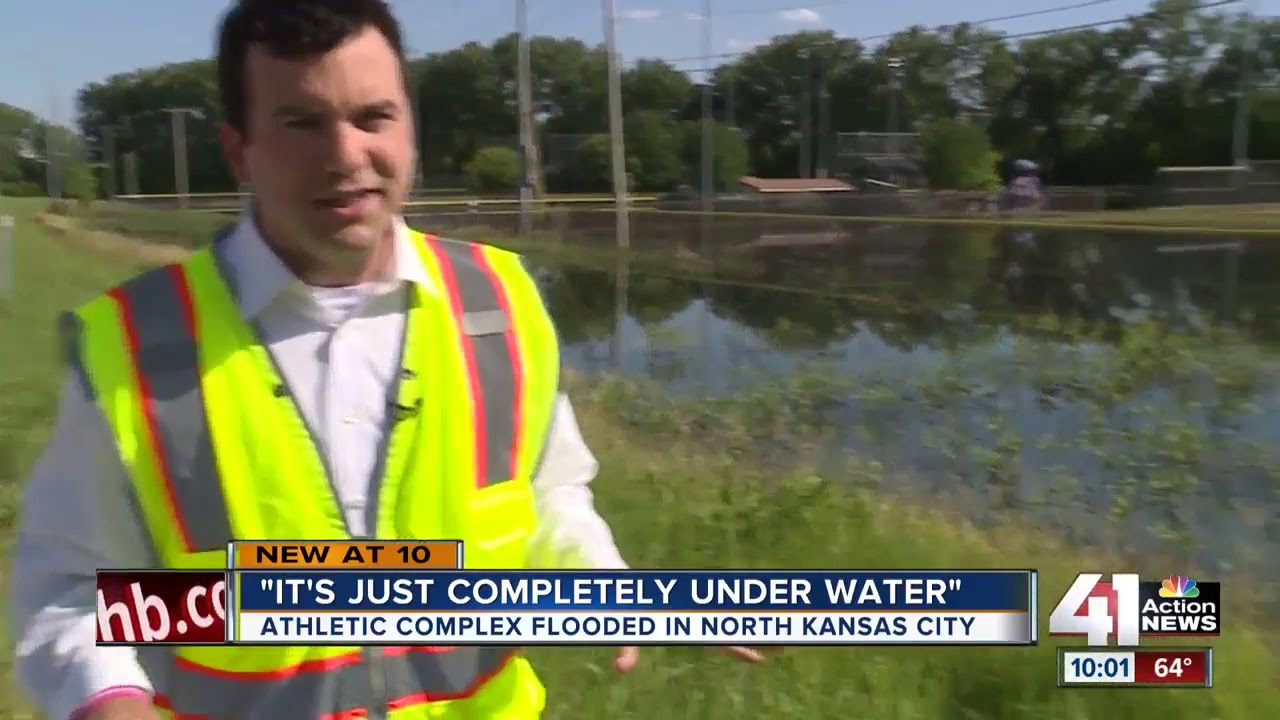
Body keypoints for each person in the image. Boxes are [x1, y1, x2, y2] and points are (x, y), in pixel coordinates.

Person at [9, 2, 762, 719]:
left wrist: (607, 589)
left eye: (374, 118)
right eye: (301, 123)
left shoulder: (499, 304)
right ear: (239, 149)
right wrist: (110, 699)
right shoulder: (140, 344)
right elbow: (67, 587)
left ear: (411, 131)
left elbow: (549, 495)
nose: (346, 156)